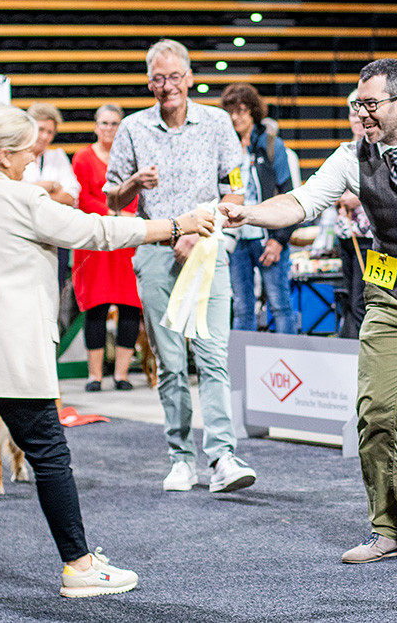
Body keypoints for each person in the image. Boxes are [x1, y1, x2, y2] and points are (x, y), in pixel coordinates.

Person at [0, 102, 214, 600]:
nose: (36, 154)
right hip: (9, 353)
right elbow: (99, 231)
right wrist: (177, 225)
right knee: (51, 457)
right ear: (5, 154)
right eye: (30, 147)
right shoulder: (23, 200)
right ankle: (79, 566)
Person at [220, 58, 397, 563]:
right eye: (358, 104)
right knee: (375, 414)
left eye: (370, 104)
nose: (362, 113)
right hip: (389, 294)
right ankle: (387, 529)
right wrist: (249, 214)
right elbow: (302, 202)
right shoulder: (352, 156)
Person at [104, 38, 257, 494]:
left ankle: (223, 457)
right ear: (149, 82)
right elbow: (114, 200)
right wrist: (134, 181)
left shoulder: (216, 124)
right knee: (170, 363)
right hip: (154, 250)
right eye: (157, 78)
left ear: (189, 78)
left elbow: (236, 192)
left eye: (174, 77)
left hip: (208, 250)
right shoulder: (133, 128)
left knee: (212, 359)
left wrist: (199, 230)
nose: (166, 86)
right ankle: (180, 458)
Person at [72, 103, 142, 392]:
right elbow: (83, 198)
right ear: (95, 126)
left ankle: (122, 374)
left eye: (115, 123)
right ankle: (95, 376)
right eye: (104, 123)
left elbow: (140, 196)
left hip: (127, 243)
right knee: (96, 308)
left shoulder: (130, 160)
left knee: (130, 307)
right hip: (96, 244)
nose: (109, 129)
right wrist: (114, 214)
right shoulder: (82, 158)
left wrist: (125, 217)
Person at [219, 83, 298, 334]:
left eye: (241, 110)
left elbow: (290, 197)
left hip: (267, 238)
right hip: (237, 240)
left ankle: (289, 368)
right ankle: (242, 372)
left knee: (280, 306)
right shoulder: (226, 149)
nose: (235, 117)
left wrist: (279, 241)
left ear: (253, 111)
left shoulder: (271, 144)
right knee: (242, 308)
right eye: (230, 111)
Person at [26, 103, 81, 289]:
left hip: (56, 237)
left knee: (53, 293)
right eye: (41, 129)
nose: (45, 136)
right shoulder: (14, 156)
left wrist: (33, 191)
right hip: (25, 238)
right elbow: (14, 193)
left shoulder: (57, 157)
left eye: (50, 132)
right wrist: (49, 186)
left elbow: (71, 197)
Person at [336, 89, 372, 339]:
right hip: (346, 235)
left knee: (364, 299)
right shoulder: (345, 151)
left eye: (360, 113)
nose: (356, 118)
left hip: (371, 238)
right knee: (348, 297)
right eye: (352, 113)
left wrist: (357, 196)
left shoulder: (379, 148)